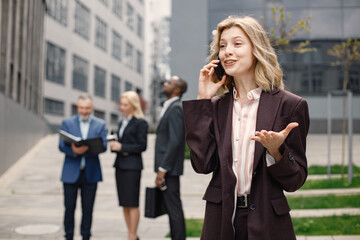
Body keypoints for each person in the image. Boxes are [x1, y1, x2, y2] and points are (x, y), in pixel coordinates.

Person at [182, 16, 310, 240]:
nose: (227, 51)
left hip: (268, 222)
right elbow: (203, 165)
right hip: (220, 220)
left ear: (256, 49)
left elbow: (295, 181)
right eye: (222, 46)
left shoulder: (290, 105)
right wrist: (202, 99)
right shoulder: (215, 107)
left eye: (237, 43)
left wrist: (275, 152)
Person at [59, 93, 107, 240]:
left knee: (88, 209)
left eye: (87, 108)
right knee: (69, 208)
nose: (84, 111)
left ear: (92, 107)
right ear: (77, 107)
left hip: (91, 172)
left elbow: (103, 146)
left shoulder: (100, 124)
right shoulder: (67, 123)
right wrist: (73, 150)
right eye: (81, 108)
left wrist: (89, 148)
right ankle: (69, 236)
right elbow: (61, 146)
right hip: (70, 172)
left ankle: (86, 236)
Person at [109, 91, 148, 240]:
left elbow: (142, 146)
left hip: (132, 167)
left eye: (125, 104)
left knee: (132, 202)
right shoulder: (122, 122)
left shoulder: (141, 123)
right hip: (120, 166)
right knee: (124, 203)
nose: (122, 107)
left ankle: (133, 236)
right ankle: (130, 234)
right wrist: (114, 144)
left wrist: (122, 147)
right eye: (121, 104)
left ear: (133, 105)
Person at [154, 76, 188, 240]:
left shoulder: (175, 108)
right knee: (171, 207)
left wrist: (162, 168)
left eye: (169, 83)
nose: (164, 84)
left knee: (174, 209)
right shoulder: (169, 106)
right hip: (168, 168)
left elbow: (175, 141)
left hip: (169, 169)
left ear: (177, 90)